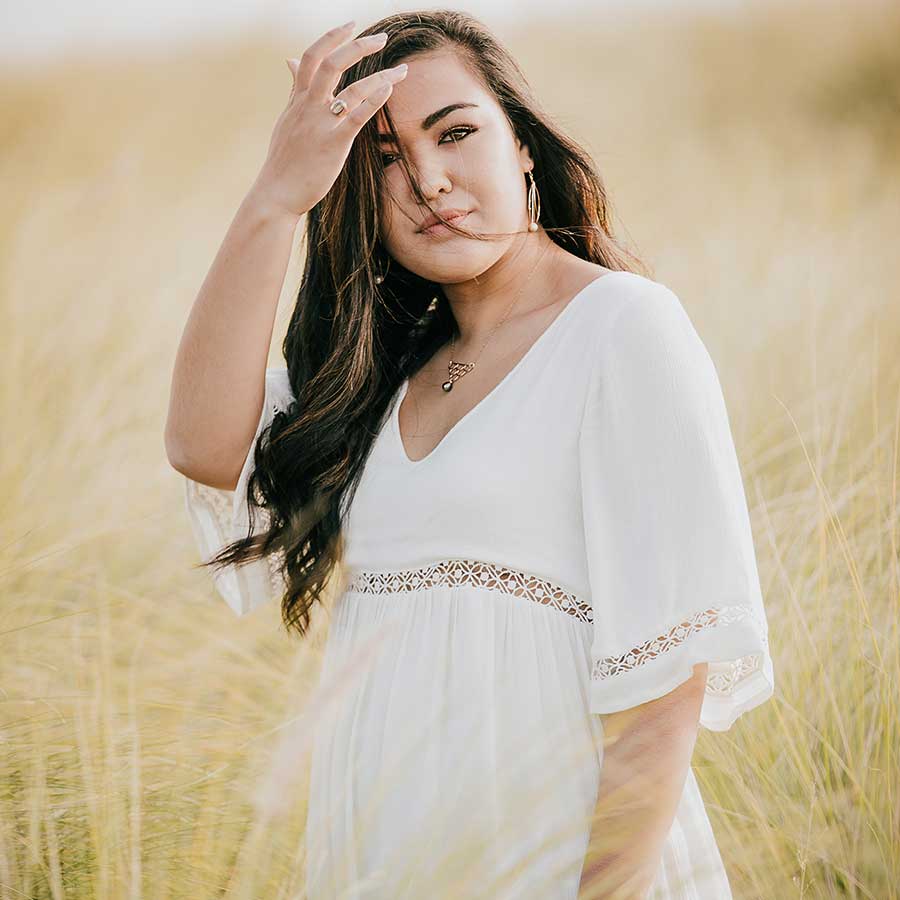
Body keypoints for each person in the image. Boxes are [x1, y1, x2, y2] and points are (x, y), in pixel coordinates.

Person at [165, 11, 775, 899]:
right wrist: (275, 196)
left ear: (522, 143)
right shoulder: (381, 371)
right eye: (382, 163)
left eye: (456, 132)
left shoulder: (622, 328)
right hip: (384, 847)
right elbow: (201, 445)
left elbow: (663, 691)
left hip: (559, 851)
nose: (428, 180)